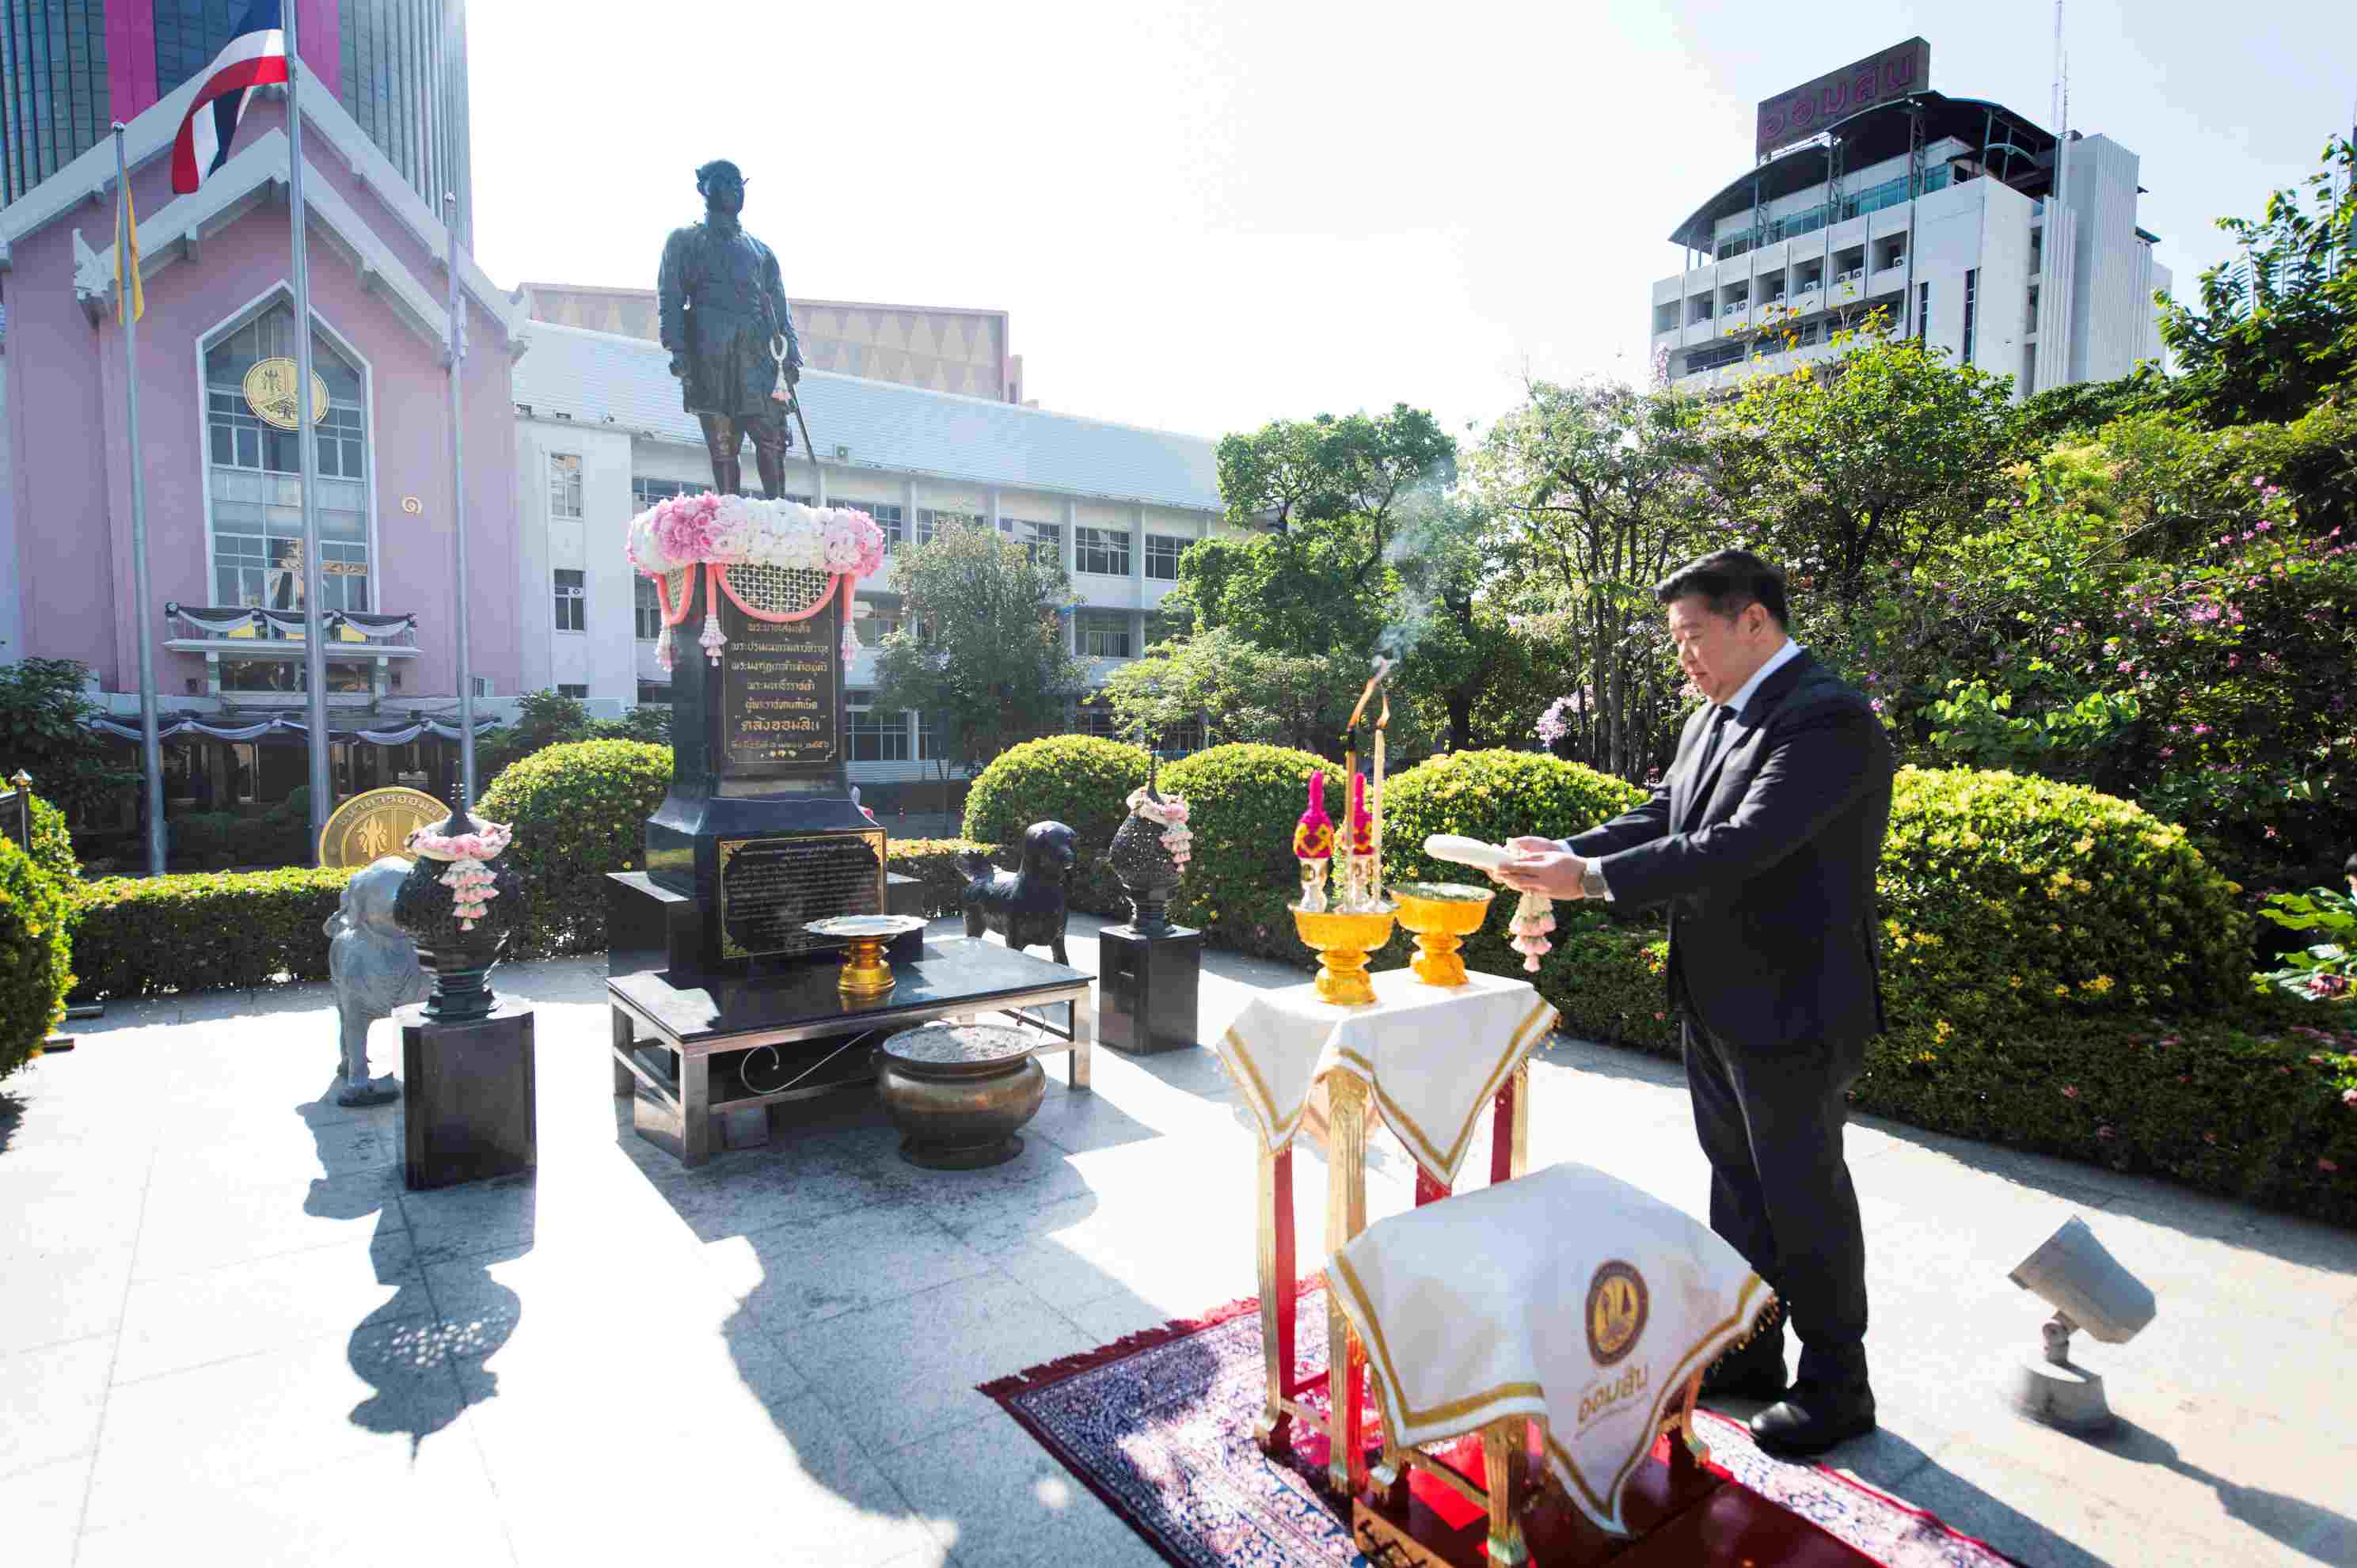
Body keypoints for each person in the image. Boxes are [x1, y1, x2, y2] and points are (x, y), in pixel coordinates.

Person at [1491, 549, 1894, 1458]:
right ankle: (1748, 1347)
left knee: (1803, 1191)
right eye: (1675, 639)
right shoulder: (1714, 717)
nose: (1683, 656)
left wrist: (1591, 880)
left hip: (1796, 1000)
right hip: (1715, 993)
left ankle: (1838, 1382)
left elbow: (1741, 843)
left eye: (1692, 635)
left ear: (1754, 620)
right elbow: (1664, 814)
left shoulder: (1824, 718)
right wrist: (1565, 851)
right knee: (1737, 1182)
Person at [656, 158, 802, 499]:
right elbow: (671, 299)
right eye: (724, 182)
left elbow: (780, 311)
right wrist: (678, 350)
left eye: (738, 183)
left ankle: (779, 511)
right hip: (711, 351)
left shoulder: (761, 251)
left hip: (758, 355)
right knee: (723, 443)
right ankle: (729, 515)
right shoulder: (684, 240)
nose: (733, 190)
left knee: (772, 436)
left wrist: (791, 357)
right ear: (703, 188)